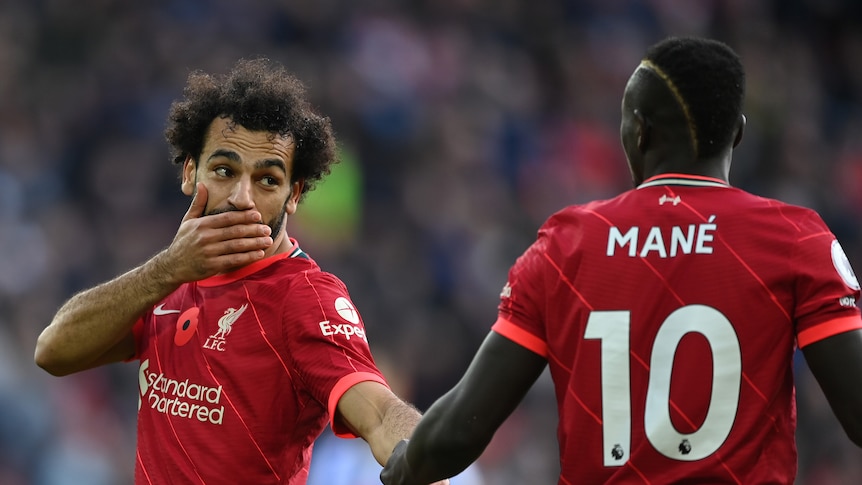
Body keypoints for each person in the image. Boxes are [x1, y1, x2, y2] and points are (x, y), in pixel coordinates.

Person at [380, 36, 862, 485]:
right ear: (736, 133)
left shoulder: (566, 246)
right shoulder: (794, 238)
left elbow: (459, 430)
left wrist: (399, 466)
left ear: (638, 130)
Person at [34, 58, 445, 485]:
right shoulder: (171, 278)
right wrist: (167, 269)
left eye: (267, 180)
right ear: (191, 171)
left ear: (294, 195)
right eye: (225, 171)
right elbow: (54, 351)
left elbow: (378, 412)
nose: (242, 198)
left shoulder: (303, 297)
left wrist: (424, 463)